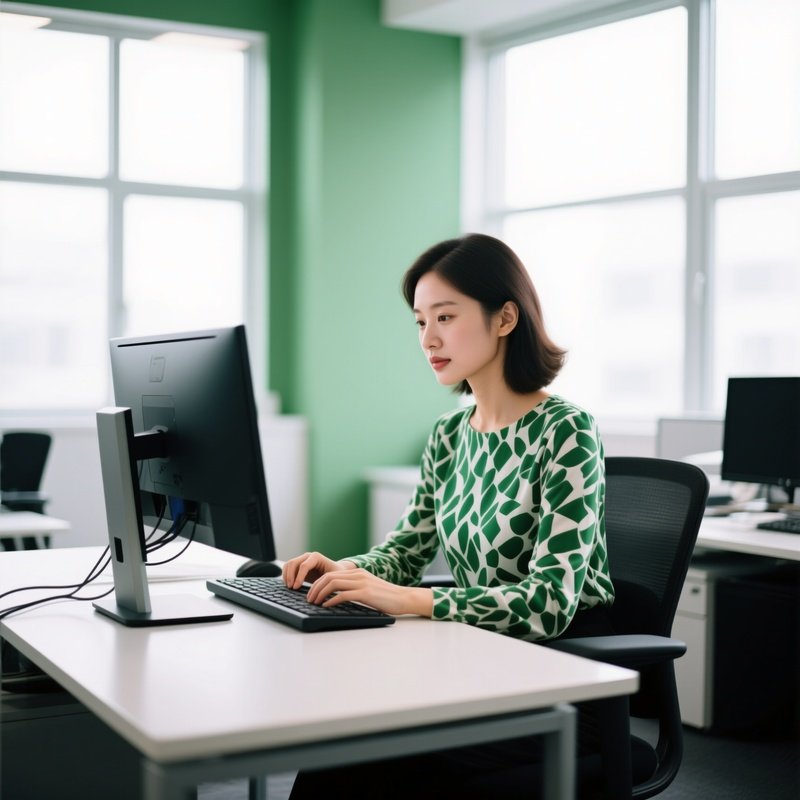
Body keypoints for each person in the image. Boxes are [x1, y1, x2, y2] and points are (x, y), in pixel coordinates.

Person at [284, 233, 615, 798]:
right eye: (419, 322)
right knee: (340, 746)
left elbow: (550, 603)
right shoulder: (448, 435)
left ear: (505, 317)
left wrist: (414, 601)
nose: (429, 338)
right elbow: (405, 553)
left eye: (445, 316)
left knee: (370, 757)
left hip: (559, 682)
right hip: (476, 665)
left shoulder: (566, 431)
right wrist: (340, 572)